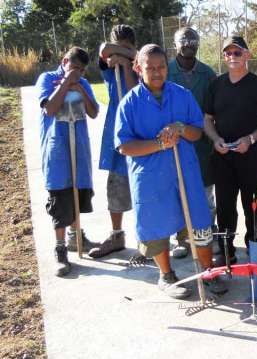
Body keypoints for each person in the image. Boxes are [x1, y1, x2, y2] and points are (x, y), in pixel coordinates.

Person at [115, 44, 226, 298]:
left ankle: (207, 271)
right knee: (156, 227)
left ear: (168, 68)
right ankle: (166, 276)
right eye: (150, 67)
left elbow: (197, 132)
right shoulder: (129, 104)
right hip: (150, 178)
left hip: (184, 172)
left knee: (199, 223)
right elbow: (124, 146)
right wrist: (159, 144)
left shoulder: (182, 95)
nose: (156, 72)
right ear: (138, 68)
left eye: (161, 67)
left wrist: (180, 127)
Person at [203, 36, 257, 267]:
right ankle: (226, 251)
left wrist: (251, 139)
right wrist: (215, 140)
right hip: (223, 158)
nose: (232, 57)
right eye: (228, 53)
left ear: (247, 55)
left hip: (251, 157)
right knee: (225, 207)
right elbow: (207, 119)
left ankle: (254, 250)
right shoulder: (216, 84)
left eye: (237, 53)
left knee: (252, 207)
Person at [36, 47, 100, 276]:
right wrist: (65, 83)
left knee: (77, 194)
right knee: (60, 197)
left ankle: (76, 237)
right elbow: (50, 109)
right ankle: (60, 248)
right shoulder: (47, 79)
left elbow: (94, 112)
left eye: (82, 70)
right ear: (64, 62)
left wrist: (80, 88)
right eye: (75, 68)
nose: (79, 74)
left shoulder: (84, 83)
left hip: (79, 148)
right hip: (57, 150)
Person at [167, 27, 217, 259]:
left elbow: (214, 109)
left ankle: (207, 235)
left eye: (193, 40)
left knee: (206, 193)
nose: (189, 43)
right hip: (173, 143)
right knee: (177, 194)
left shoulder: (207, 74)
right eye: (183, 40)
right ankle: (182, 239)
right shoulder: (164, 71)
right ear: (175, 44)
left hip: (202, 144)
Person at [89, 24, 138, 259]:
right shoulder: (107, 67)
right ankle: (117, 235)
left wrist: (125, 61)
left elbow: (130, 92)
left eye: (127, 48)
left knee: (142, 186)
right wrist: (117, 54)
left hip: (137, 133)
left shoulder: (139, 67)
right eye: (116, 47)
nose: (117, 53)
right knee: (116, 185)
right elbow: (103, 49)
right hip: (116, 134)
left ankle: (149, 239)